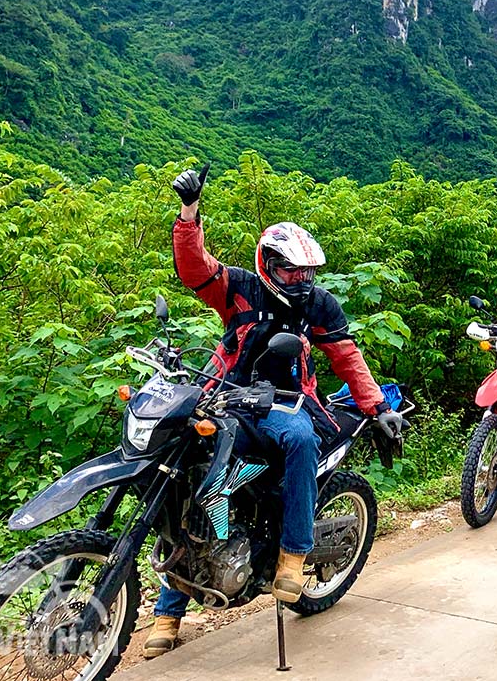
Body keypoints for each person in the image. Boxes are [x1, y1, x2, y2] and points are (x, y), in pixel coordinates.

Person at [144, 164, 407, 658]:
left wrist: (376, 406)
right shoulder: (241, 287)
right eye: (291, 270)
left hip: (285, 403)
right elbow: (194, 267)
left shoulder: (319, 305)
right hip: (223, 396)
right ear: (269, 264)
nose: (301, 280)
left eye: (307, 272)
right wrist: (189, 211)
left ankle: (293, 553)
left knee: (302, 439)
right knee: (195, 484)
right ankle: (169, 609)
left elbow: (346, 355)